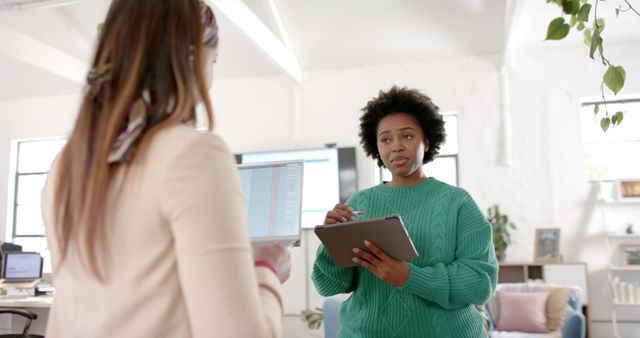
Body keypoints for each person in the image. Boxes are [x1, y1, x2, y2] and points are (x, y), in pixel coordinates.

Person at [40, 1, 290, 337]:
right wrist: (267, 269)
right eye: (212, 60)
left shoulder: (65, 165)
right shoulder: (194, 154)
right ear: (192, 58)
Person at [312, 86, 498, 337]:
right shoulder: (359, 202)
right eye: (386, 139)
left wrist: (409, 276)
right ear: (376, 146)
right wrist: (331, 242)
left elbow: (479, 283)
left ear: (427, 140)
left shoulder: (458, 203)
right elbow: (328, 284)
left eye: (407, 136)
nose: (396, 147)